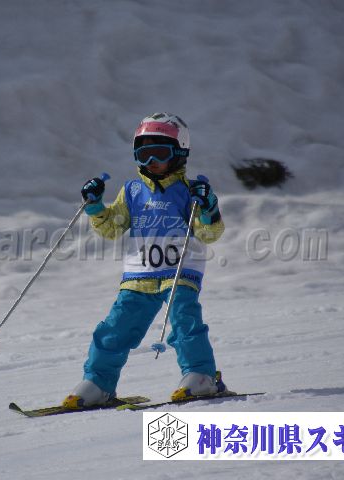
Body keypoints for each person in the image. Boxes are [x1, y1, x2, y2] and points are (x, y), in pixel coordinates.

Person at [62, 113, 227, 409]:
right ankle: (98, 383)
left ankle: (201, 375)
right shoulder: (132, 191)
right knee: (115, 328)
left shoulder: (190, 192)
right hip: (139, 274)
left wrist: (208, 208)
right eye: (143, 153)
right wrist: (95, 206)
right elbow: (111, 228)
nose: (151, 161)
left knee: (184, 324)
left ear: (179, 152)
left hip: (179, 272)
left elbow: (209, 233)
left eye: (160, 153)